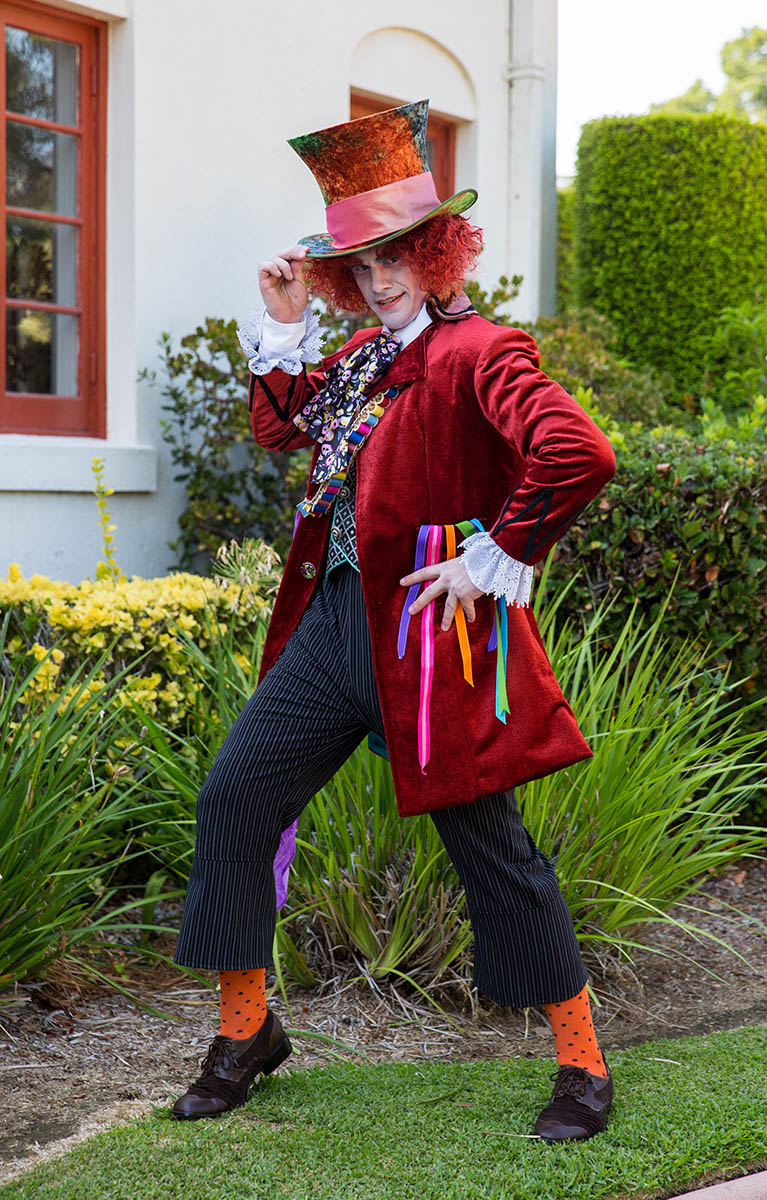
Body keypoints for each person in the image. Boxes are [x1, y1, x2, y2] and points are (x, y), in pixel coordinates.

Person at [170, 100, 617, 1143]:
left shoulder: (479, 351)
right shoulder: (365, 358)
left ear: (437, 250)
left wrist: (495, 553)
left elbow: (578, 452)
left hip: (428, 642)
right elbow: (285, 426)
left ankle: (582, 1063)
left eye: (396, 256)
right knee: (235, 799)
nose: (378, 281)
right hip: (330, 632)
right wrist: (285, 319)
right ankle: (247, 1033)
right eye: (360, 265)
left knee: (493, 851)